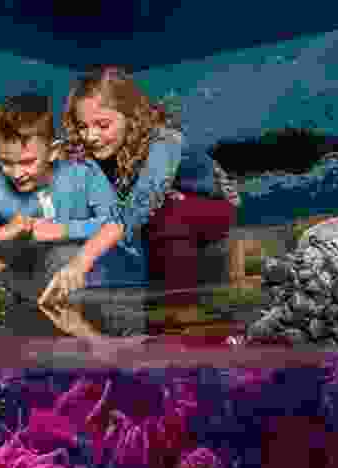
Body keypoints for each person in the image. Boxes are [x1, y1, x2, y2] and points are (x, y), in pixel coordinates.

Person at [0, 92, 141, 305]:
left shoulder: (83, 172)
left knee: (60, 254)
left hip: (106, 276)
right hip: (42, 281)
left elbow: (120, 224)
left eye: (28, 162)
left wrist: (62, 230)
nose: (17, 173)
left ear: (52, 152)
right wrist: (2, 232)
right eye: (7, 162)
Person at [61, 66, 238, 297]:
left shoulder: (164, 141)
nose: (91, 136)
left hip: (213, 204)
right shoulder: (89, 147)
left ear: (131, 117)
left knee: (165, 212)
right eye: (83, 127)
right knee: (155, 210)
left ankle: (179, 304)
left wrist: (81, 261)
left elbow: (139, 205)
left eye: (103, 125)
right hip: (164, 202)